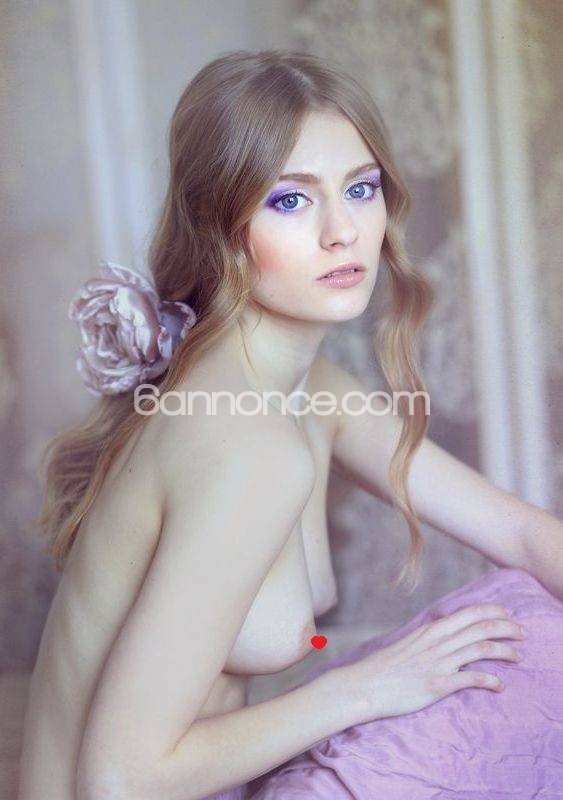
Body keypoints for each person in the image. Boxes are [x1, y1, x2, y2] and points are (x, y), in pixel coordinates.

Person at [17, 49, 563, 800]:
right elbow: (118, 781)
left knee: (530, 623)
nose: (343, 232)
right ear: (217, 224)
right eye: (290, 200)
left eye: (360, 189)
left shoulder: (305, 392)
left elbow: (525, 536)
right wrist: (365, 688)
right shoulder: (243, 442)